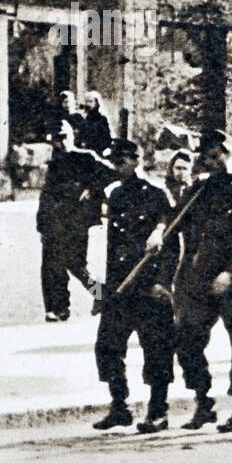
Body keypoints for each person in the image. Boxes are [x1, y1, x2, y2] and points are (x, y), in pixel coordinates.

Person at [149, 129, 232, 432]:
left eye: (217, 155)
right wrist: (160, 230)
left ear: (228, 155)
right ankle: (204, 401)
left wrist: (231, 273)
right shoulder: (197, 192)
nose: (212, 161)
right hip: (199, 280)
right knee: (187, 339)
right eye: (207, 157)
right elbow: (173, 221)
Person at [91, 138, 179, 433]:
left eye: (119, 161)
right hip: (121, 287)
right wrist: (101, 292)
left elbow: (170, 244)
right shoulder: (115, 196)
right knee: (107, 346)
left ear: (135, 160)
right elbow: (112, 249)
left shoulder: (157, 195)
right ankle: (120, 407)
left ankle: (158, 411)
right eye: (112, 162)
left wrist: (163, 283)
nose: (114, 167)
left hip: (149, 287)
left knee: (156, 349)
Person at [36, 119, 116, 321]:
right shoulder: (54, 164)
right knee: (51, 267)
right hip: (54, 222)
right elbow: (46, 196)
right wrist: (42, 223)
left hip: (76, 221)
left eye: (64, 137)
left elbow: (112, 173)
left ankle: (101, 294)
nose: (61, 142)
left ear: (72, 136)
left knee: (75, 263)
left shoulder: (85, 158)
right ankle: (58, 308)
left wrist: (91, 189)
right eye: (56, 139)